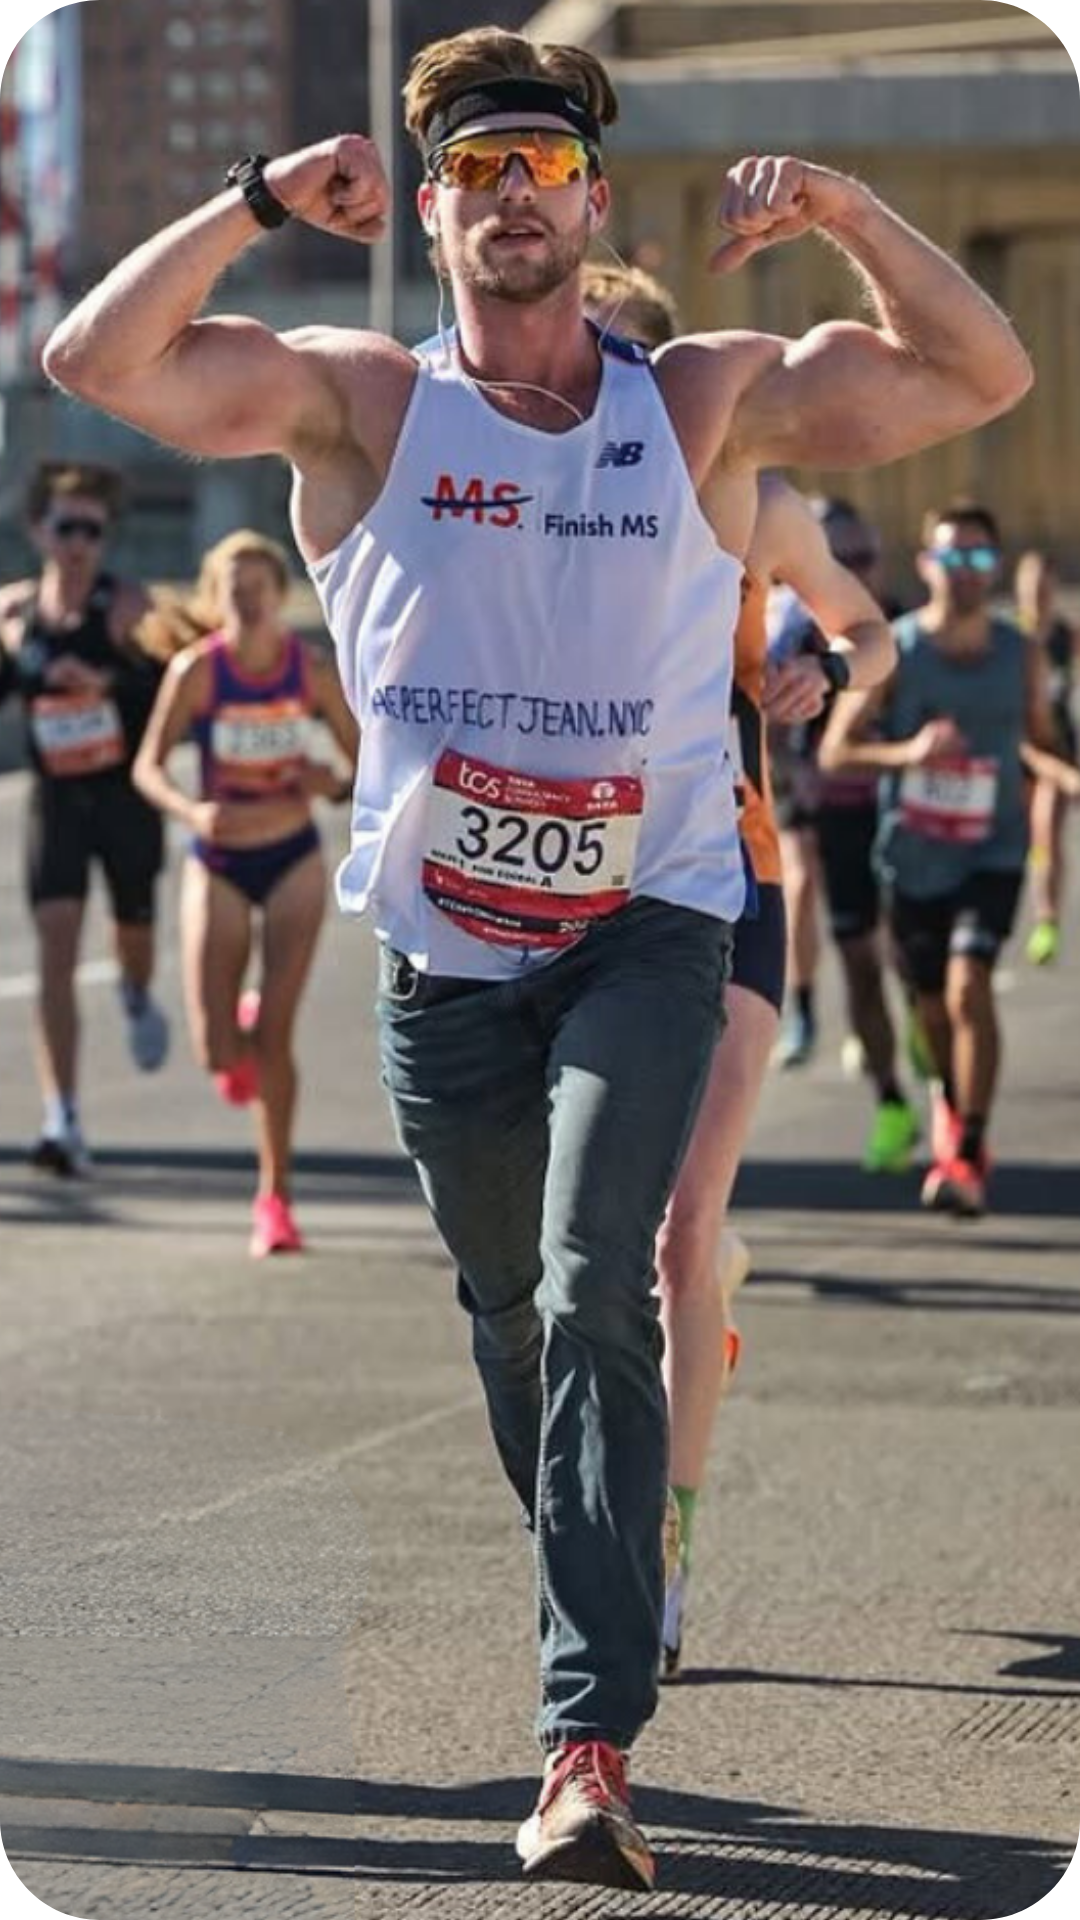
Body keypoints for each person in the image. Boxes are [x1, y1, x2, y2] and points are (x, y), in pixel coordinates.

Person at [41, 22, 1032, 1890]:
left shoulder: (705, 400)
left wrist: (839, 209)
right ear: (430, 212)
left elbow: (983, 374)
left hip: (654, 919)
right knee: (511, 1305)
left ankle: (587, 1742)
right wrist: (259, 201)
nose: (514, 195)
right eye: (477, 171)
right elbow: (93, 363)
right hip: (449, 959)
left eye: (548, 167)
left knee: (600, 1276)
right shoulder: (363, 405)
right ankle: (603, 1530)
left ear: (592, 203)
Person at [582, 259, 896, 1678]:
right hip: (570, 893)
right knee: (577, 1243)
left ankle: (665, 1539)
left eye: (634, 370)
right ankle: (696, 1305)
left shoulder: (755, 507)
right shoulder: (524, 508)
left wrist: (826, 669)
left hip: (730, 883)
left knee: (677, 1234)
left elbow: (866, 628)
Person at [820, 503, 1078, 1219]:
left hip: (993, 851)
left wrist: (1064, 773)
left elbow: (1040, 738)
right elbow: (836, 751)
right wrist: (909, 753)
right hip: (913, 858)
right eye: (952, 558)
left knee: (969, 988)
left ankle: (969, 1147)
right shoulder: (898, 650)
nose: (965, 573)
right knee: (932, 1009)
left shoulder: (1019, 651)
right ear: (926, 564)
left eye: (978, 559)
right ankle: (953, 1109)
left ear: (994, 568)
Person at [132, 531, 358, 1256]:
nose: (249, 601)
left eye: (260, 588)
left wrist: (333, 783)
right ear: (215, 597)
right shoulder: (198, 672)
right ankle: (237, 1036)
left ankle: (276, 1198)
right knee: (218, 1050)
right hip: (221, 857)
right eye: (235, 590)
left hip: (292, 855)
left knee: (277, 1040)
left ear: (280, 595)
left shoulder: (310, 671)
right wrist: (191, 811)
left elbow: (366, 765)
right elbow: (147, 767)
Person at [0, 461, 170, 1176]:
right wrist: (23, 663)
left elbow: (173, 696)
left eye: (92, 531)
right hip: (58, 802)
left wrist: (112, 681)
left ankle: (135, 991)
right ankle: (61, 1115)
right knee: (56, 948)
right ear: (39, 530)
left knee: (133, 935)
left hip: (124, 800)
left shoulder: (129, 605)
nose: (79, 544)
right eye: (66, 527)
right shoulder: (13, 613)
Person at [782, 498, 922, 1173]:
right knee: (859, 957)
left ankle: (929, 1041)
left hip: (907, 813)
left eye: (864, 558)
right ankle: (889, 1096)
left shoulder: (897, 632)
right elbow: (757, 722)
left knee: (911, 954)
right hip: (828, 812)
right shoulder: (785, 631)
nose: (855, 571)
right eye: (841, 559)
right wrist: (792, 773)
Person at [1014, 549, 1079, 966]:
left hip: (1057, 748)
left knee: (1048, 827)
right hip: (1016, 747)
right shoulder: (1009, 638)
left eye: (1044, 588)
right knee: (1028, 837)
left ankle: (1047, 919)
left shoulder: (1064, 636)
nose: (1038, 596)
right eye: (1031, 588)